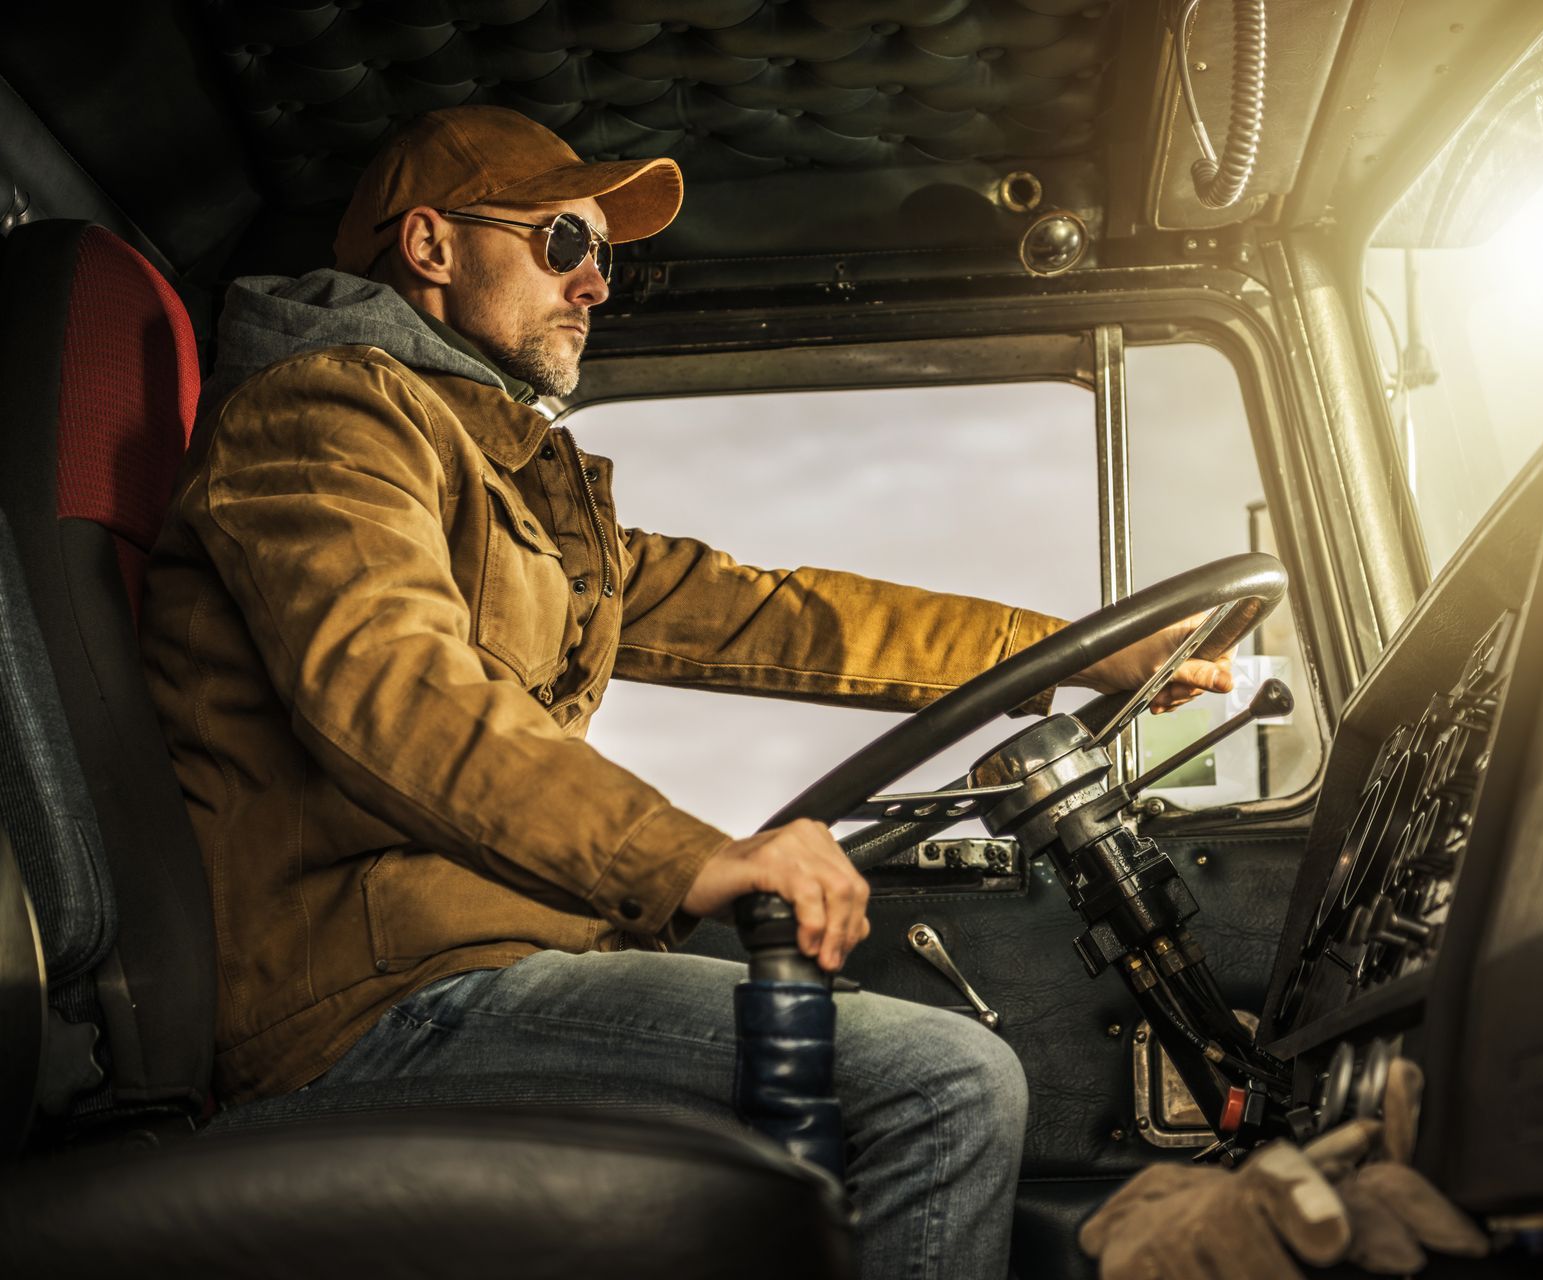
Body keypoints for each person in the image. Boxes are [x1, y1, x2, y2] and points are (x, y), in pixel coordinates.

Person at [140, 105, 1233, 1279]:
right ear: (431, 248)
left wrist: (1075, 652)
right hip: (374, 1002)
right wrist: (691, 856)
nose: (596, 284)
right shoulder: (324, 419)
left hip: (503, 959)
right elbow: (396, 684)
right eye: (565, 242)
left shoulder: (510, 478)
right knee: (941, 1084)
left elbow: (775, 614)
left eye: (605, 254)